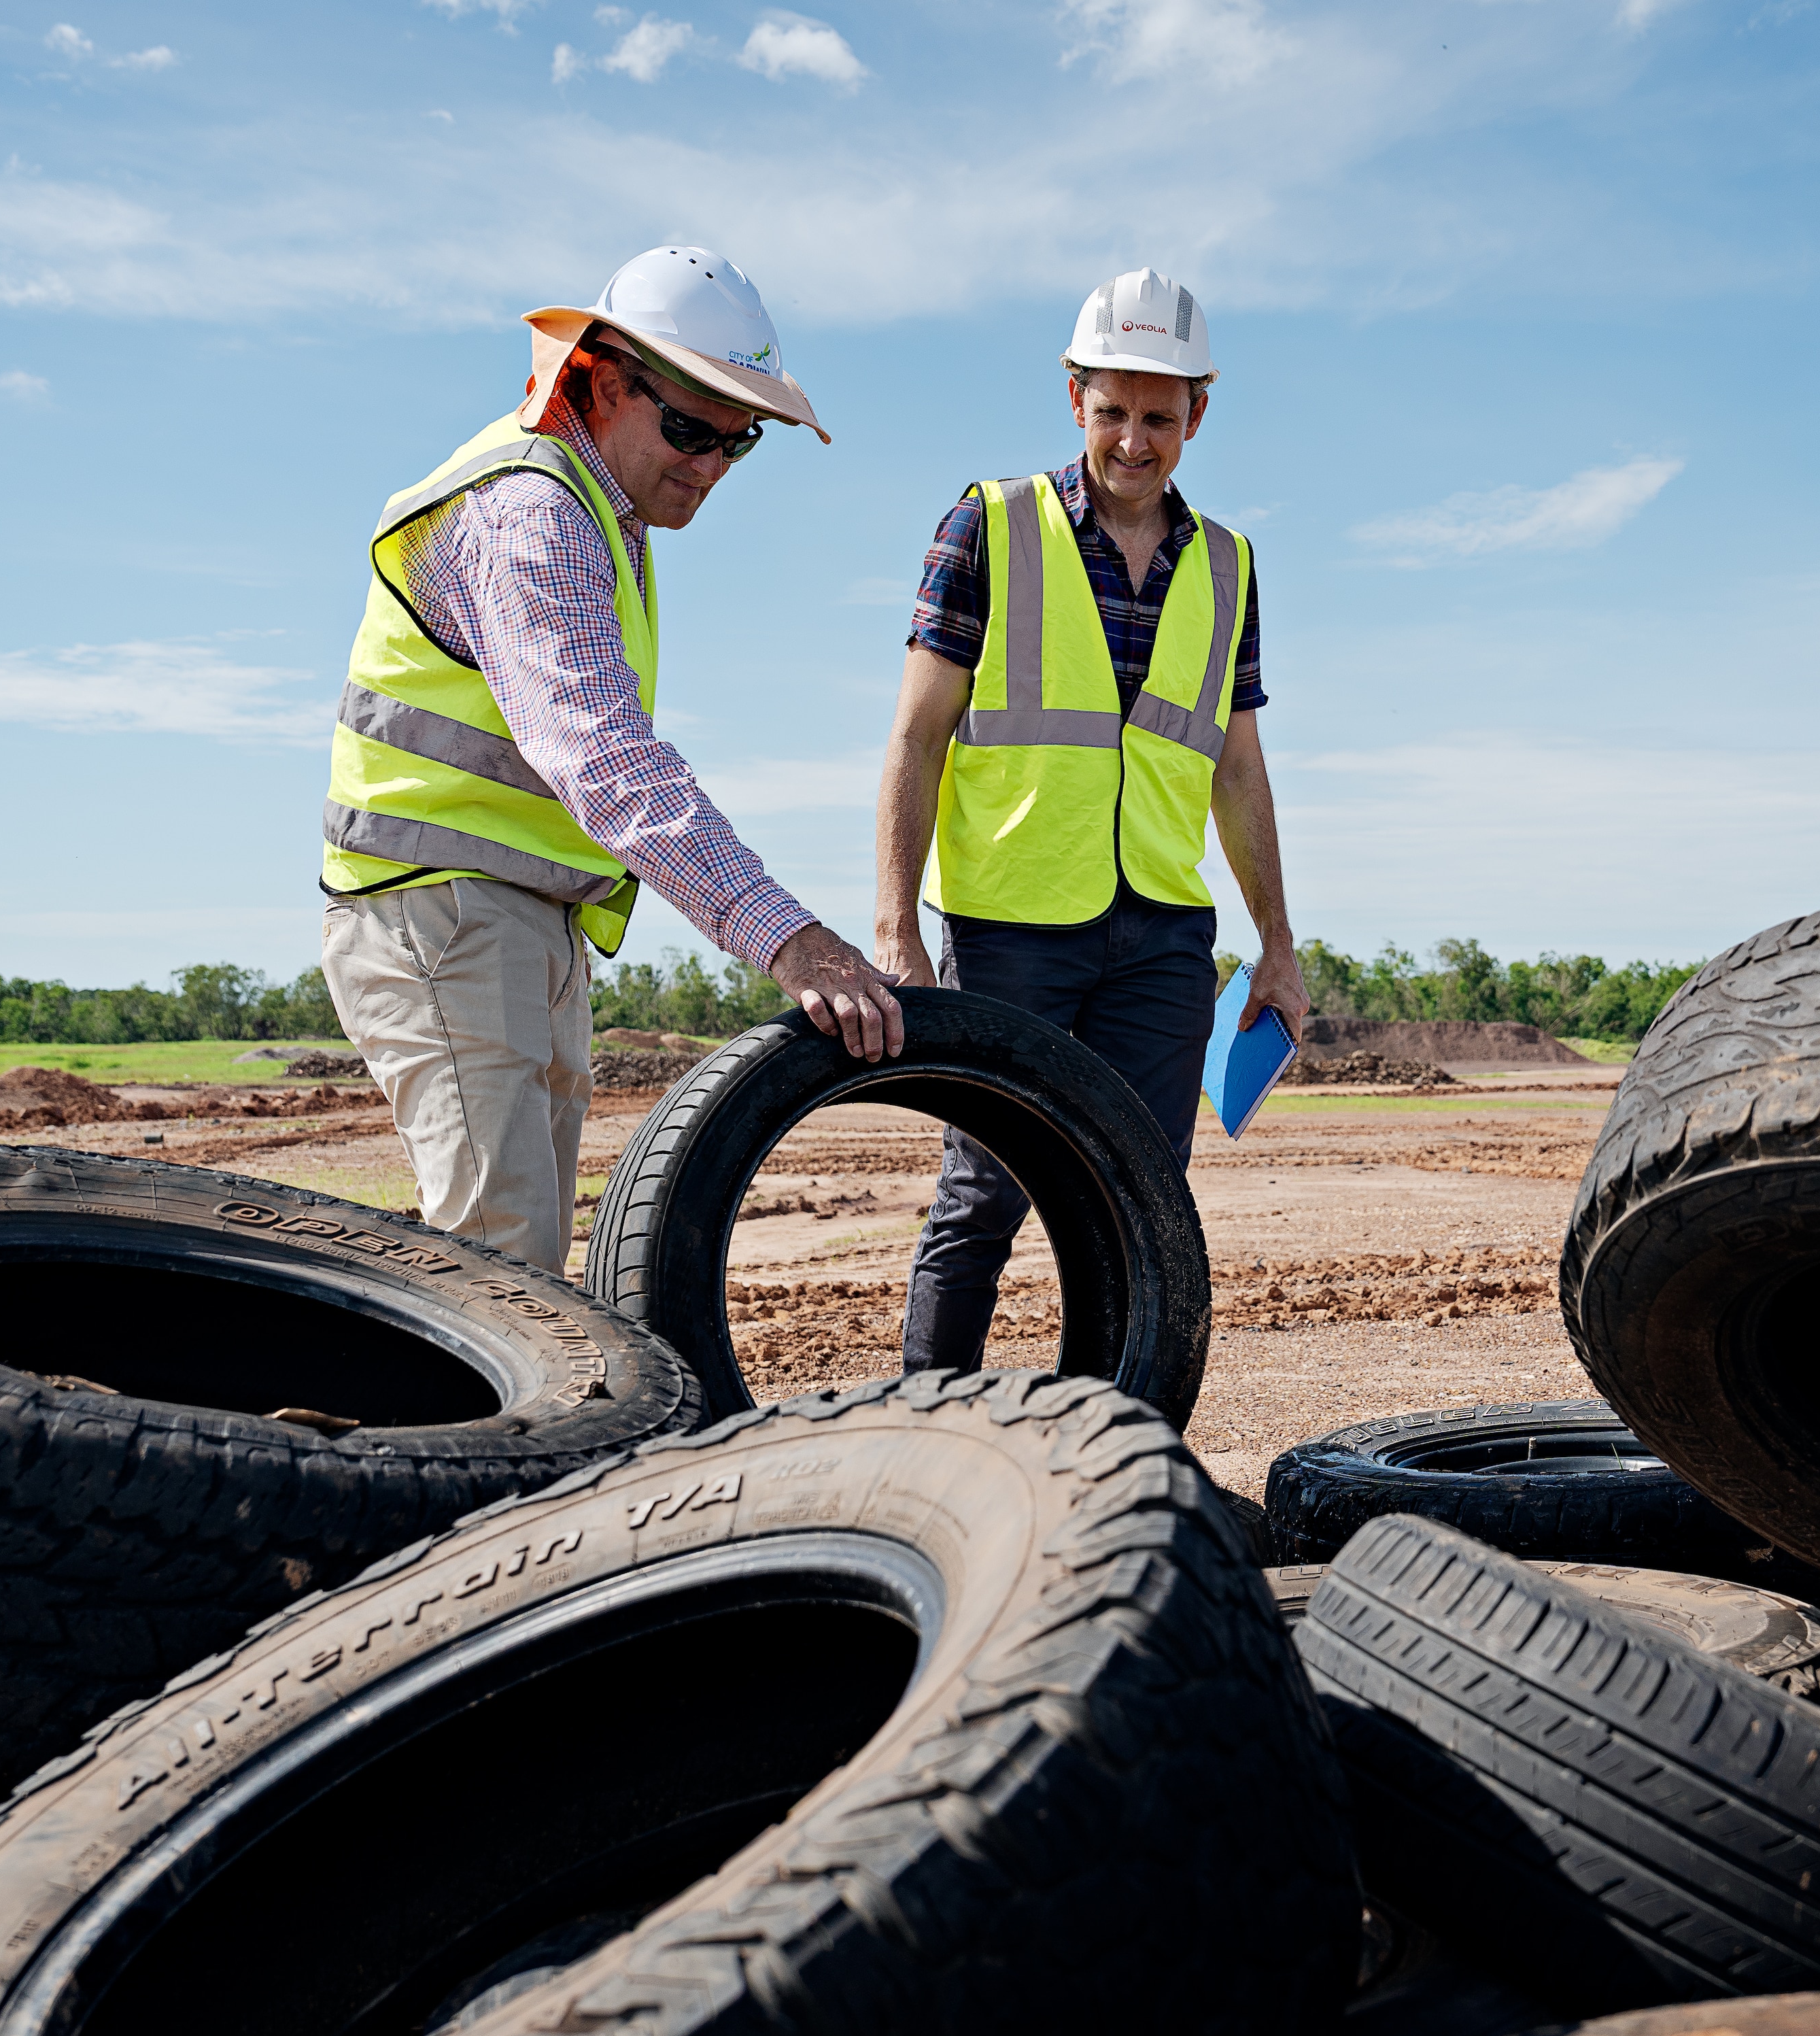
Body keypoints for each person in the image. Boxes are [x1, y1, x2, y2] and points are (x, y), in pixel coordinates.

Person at [319, 247, 903, 1276]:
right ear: (599, 377)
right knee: (500, 1275)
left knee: (522, 1271)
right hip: (444, 913)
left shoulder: (602, 512)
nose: (712, 467)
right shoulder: (534, 512)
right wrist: (792, 943)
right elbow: (605, 760)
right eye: (689, 429)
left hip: (517, 918)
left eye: (740, 442)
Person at [872, 267, 1309, 1372]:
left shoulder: (1229, 566)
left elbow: (1239, 768)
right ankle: (928, 1433)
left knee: (1142, 1203)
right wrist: (895, 925)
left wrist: (1279, 943)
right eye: (1111, 410)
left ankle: (1114, 1445)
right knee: (983, 1197)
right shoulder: (990, 526)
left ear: (1196, 416)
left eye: (1159, 416)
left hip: (1162, 932)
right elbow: (918, 737)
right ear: (1075, 398)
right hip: (1011, 922)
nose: (1133, 440)